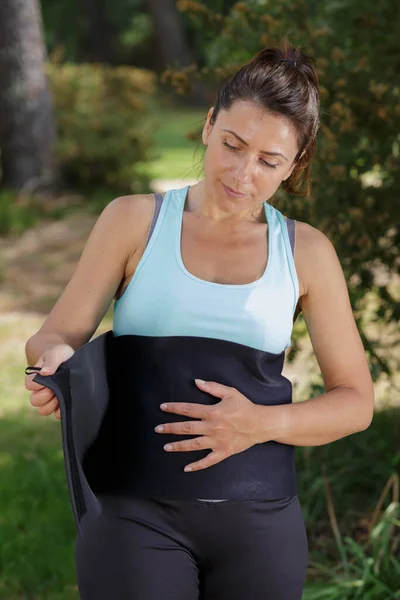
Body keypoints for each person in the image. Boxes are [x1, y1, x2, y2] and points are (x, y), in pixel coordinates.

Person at [24, 42, 374, 600]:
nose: (242, 173)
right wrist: (54, 363)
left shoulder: (305, 252)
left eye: (268, 161)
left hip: (261, 527)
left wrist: (260, 424)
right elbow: (56, 335)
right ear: (209, 125)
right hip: (132, 516)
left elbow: (356, 401)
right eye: (233, 144)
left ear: (296, 164)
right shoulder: (134, 221)